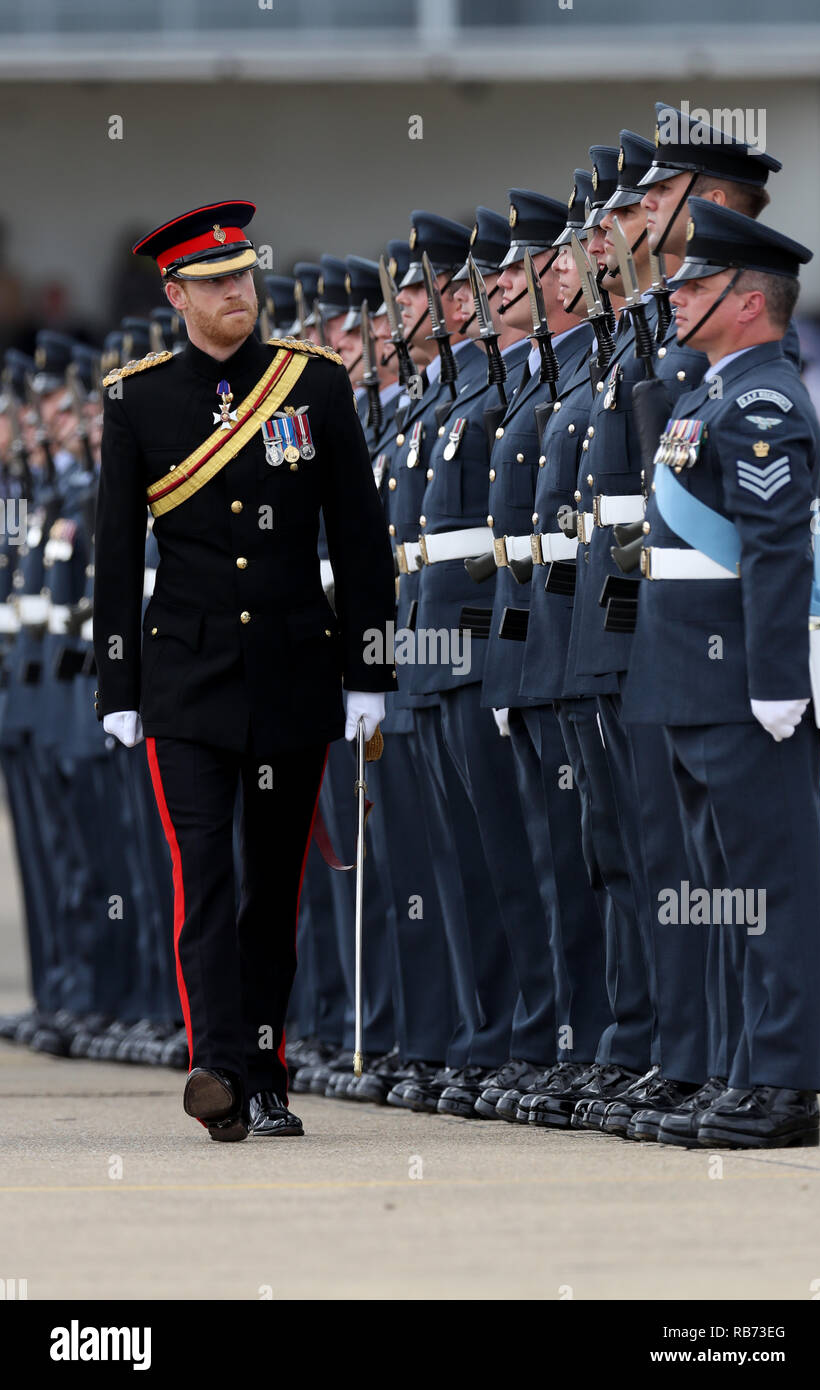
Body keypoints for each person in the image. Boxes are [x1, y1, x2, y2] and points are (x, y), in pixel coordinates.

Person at [92, 200, 396, 1142]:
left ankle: (267, 1073)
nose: (239, 295)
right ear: (176, 294)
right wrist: (118, 688)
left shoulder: (313, 384)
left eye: (245, 277)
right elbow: (114, 553)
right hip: (184, 681)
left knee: (272, 885)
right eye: (217, 283)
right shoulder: (135, 397)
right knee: (205, 882)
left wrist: (368, 670)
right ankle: (215, 1066)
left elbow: (358, 536)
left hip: (292, 670)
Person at [623, 199, 820, 1148]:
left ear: (748, 302)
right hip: (686, 671)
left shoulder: (761, 400)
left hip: (742, 676)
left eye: (696, 287)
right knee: (717, 888)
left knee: (767, 884)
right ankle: (742, 1066)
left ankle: (782, 1085)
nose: (676, 300)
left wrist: (775, 677)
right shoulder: (708, 392)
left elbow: (777, 547)